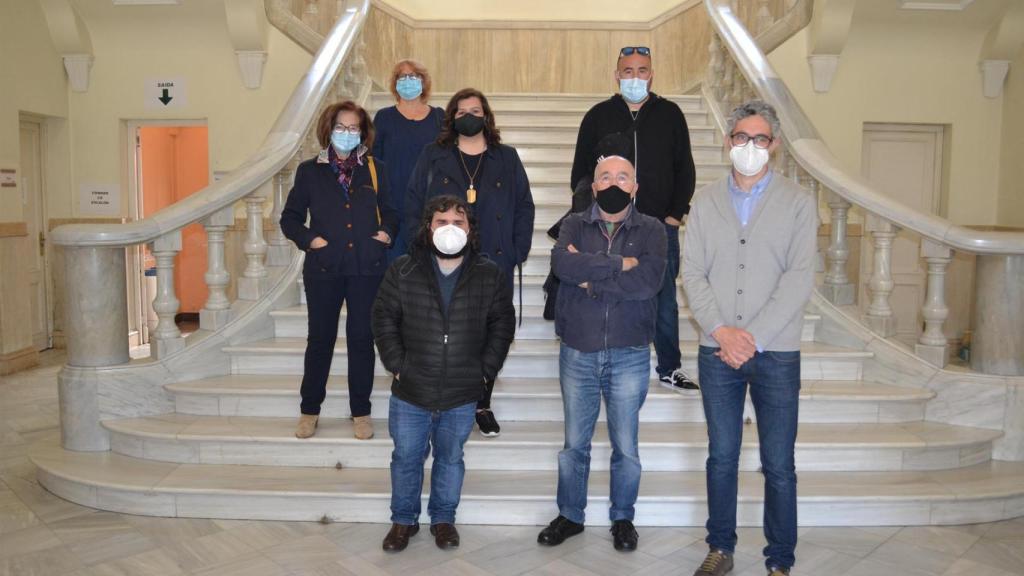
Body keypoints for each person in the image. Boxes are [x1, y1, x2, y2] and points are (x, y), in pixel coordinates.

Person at [681, 100, 817, 576]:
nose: (750, 147)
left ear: (774, 147)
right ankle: (720, 547)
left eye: (760, 139)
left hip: (776, 354)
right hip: (717, 351)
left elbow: (799, 279)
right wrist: (721, 331)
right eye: (741, 137)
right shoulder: (705, 201)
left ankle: (779, 559)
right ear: (728, 142)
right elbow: (692, 274)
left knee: (778, 463)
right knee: (722, 456)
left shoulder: (799, 204)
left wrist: (752, 338)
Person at [537, 154, 666, 552]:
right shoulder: (574, 223)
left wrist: (592, 279)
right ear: (592, 187)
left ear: (635, 186)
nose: (613, 183)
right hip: (579, 349)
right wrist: (618, 264)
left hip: (629, 351)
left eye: (622, 176)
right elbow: (563, 267)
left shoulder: (653, 229)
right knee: (574, 443)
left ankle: (622, 518)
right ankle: (570, 515)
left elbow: (648, 281)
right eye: (605, 176)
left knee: (626, 446)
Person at [372, 195, 516, 552]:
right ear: (428, 227)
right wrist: (397, 364)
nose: (450, 228)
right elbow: (383, 318)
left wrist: (485, 371)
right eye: (441, 221)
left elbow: (502, 324)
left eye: (459, 222)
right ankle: (403, 521)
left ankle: (443, 520)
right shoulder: (403, 269)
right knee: (406, 458)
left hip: (461, 391)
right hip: (411, 389)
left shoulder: (489, 274)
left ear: (471, 229)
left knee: (450, 459)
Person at [406, 87, 535, 437]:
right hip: (443, 260)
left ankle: (482, 402)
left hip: (495, 260)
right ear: (451, 117)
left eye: (476, 110)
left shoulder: (506, 157)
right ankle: (443, 399)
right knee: (446, 331)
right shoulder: (433, 155)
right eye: (462, 110)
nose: (469, 116)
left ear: (486, 116)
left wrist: (517, 249)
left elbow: (524, 204)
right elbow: (415, 203)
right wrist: (419, 248)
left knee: (491, 334)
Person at [570, 45, 698, 394]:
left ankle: (669, 367)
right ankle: (600, 361)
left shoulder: (670, 114)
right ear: (617, 75)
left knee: (664, 296)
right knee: (605, 289)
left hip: (658, 227)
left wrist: (674, 216)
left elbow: (684, 168)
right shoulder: (598, 115)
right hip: (609, 227)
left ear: (651, 74)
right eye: (628, 71)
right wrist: (589, 216)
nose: (635, 77)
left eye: (642, 70)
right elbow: (581, 173)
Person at [280, 100, 398, 441]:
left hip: (367, 267)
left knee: (362, 340)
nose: (347, 134)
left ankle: (360, 412)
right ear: (328, 129)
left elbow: (391, 211)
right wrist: (311, 240)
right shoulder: (309, 171)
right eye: (341, 127)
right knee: (320, 340)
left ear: (363, 133)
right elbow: (289, 218)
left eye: (353, 128)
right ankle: (309, 410)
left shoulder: (376, 169)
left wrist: (385, 235)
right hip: (324, 269)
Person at [372, 59, 445, 261]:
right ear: (395, 83)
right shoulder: (384, 117)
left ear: (423, 82)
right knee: (395, 275)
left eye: (413, 76)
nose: (407, 80)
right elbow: (372, 163)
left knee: (428, 275)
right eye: (402, 76)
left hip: (430, 208)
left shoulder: (440, 117)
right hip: (393, 209)